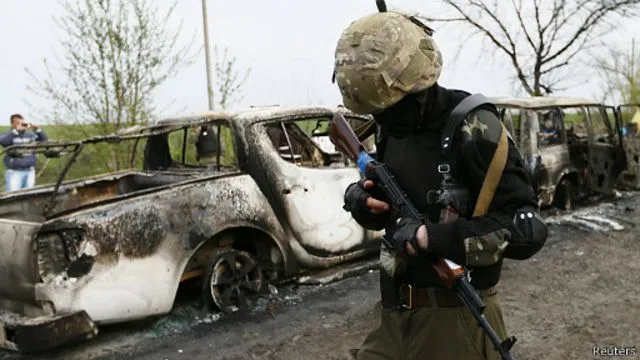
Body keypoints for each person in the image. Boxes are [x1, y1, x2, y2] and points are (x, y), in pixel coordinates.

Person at [333, 11, 548, 360]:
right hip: (393, 318)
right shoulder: (395, 124)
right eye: (375, 110)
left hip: (457, 323)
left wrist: (430, 238)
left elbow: (527, 230)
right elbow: (388, 200)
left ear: (417, 88)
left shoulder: (475, 127)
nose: (381, 119)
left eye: (387, 108)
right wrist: (360, 199)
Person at [0, 114, 48, 191]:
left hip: (30, 171)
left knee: (28, 196)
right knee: (13, 196)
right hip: (14, 172)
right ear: (12, 124)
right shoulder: (7, 135)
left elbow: (44, 141)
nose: (21, 125)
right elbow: (3, 141)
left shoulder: (30, 135)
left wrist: (38, 129)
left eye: (22, 123)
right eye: (17, 123)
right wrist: (15, 132)